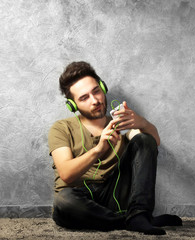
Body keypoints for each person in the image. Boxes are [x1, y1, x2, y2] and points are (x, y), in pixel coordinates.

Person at [48, 61, 182, 235]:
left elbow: (150, 144)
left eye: (96, 91)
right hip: (78, 200)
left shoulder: (119, 122)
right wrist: (98, 149)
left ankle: (139, 214)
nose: (95, 100)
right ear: (72, 105)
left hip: (114, 195)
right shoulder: (61, 128)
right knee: (64, 201)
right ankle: (134, 219)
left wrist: (143, 123)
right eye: (84, 98)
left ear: (103, 88)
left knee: (143, 139)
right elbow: (66, 173)